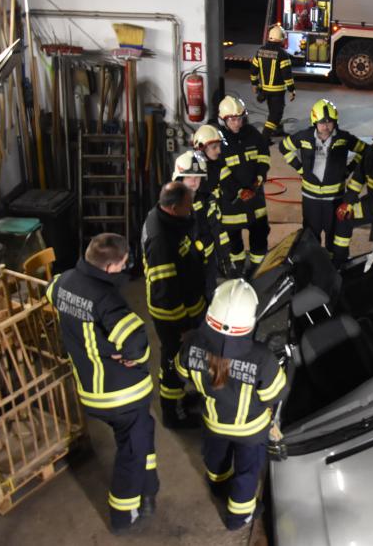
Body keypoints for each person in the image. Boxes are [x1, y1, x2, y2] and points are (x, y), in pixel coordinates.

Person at [46, 233, 157, 534]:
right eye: (123, 264)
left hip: (89, 390)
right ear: (110, 268)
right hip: (121, 396)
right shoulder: (107, 299)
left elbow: (49, 293)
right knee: (131, 452)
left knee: (142, 434)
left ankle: (149, 489)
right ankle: (123, 515)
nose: (125, 268)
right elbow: (137, 344)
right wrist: (129, 356)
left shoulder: (62, 282)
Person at [176, 279, 288, 531]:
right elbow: (275, 394)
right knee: (247, 473)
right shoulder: (263, 358)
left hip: (213, 422)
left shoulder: (191, 345)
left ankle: (218, 487)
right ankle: (239, 517)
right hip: (251, 431)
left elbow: (182, 374)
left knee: (216, 458)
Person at [142, 181, 203, 429]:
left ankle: (181, 397)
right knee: (172, 362)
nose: (191, 208)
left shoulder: (164, 218)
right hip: (173, 317)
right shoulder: (161, 242)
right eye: (188, 205)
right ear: (174, 207)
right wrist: (183, 327)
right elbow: (166, 294)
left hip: (185, 307)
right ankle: (173, 414)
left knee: (181, 357)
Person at [279, 99, 365, 266]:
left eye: (329, 122)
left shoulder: (343, 138)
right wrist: (299, 168)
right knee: (310, 237)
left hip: (334, 200)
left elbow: (364, 151)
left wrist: (349, 169)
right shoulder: (304, 137)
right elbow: (283, 147)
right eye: (321, 123)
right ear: (314, 122)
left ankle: (332, 267)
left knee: (333, 237)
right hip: (311, 200)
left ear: (335, 122)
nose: (325, 126)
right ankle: (314, 268)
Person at [216, 96, 271, 278]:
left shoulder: (253, 134)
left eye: (240, 118)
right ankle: (237, 269)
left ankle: (257, 270)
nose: (237, 123)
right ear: (222, 119)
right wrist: (239, 191)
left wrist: (259, 179)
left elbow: (264, 156)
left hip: (255, 199)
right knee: (234, 241)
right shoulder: (217, 140)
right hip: (232, 202)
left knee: (259, 236)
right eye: (232, 119)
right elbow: (220, 170)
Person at [172, 150, 218, 301]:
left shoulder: (207, 200)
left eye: (197, 177)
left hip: (208, 263)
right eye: (189, 176)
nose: (194, 181)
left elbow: (216, 228)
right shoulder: (171, 206)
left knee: (209, 296)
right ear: (180, 178)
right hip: (185, 264)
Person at [192, 124, 233, 276]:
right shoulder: (192, 168)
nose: (219, 151)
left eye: (219, 146)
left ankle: (226, 266)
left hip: (216, 215)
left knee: (223, 240)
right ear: (201, 148)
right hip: (200, 219)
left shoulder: (218, 164)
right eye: (214, 147)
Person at [250, 25, 296, 141]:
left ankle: (277, 130)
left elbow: (254, 69)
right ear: (281, 39)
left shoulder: (260, 51)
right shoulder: (282, 54)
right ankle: (264, 139)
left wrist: (254, 84)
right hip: (277, 91)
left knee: (273, 110)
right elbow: (287, 75)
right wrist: (291, 90)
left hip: (265, 90)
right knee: (276, 114)